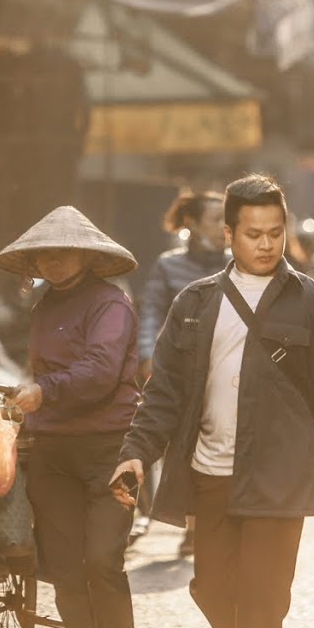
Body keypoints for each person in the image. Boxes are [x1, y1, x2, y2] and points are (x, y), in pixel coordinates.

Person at [111, 174, 314, 628]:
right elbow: (165, 394)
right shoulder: (196, 302)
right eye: (253, 233)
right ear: (227, 234)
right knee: (208, 587)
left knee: (263, 595)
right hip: (210, 471)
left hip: (283, 475)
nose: (266, 244)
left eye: (275, 233)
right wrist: (135, 455)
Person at [0, 205, 145, 628]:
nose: (52, 261)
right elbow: (41, 369)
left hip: (110, 449)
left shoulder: (111, 304)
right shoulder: (41, 306)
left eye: (61, 251)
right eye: (44, 254)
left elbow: (102, 371)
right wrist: (27, 395)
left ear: (85, 252)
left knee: (102, 558)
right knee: (64, 568)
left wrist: (44, 390)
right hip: (53, 450)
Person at [135, 192, 229, 553]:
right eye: (215, 219)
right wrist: (148, 355)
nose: (223, 229)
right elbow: (151, 314)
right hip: (181, 373)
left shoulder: (238, 263)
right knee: (185, 447)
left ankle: (208, 520)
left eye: (226, 220)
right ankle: (193, 524)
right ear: (192, 223)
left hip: (227, 371)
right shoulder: (168, 266)